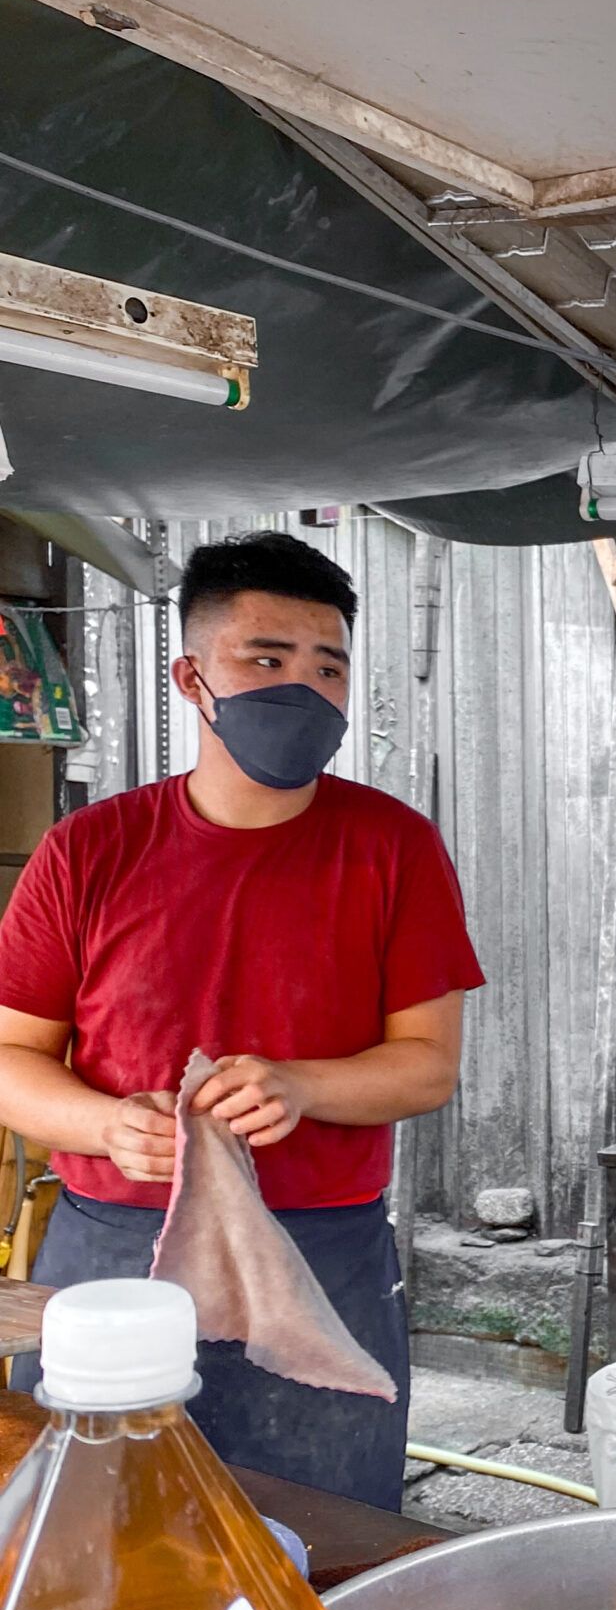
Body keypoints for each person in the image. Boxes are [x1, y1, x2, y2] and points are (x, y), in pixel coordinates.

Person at [0, 529, 485, 1507]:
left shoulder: (394, 848)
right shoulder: (88, 851)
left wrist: (300, 1084)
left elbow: (426, 1064)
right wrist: (107, 1124)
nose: (301, 689)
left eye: (327, 666)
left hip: (323, 1253)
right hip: (108, 1256)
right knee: (84, 1547)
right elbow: (10, 1054)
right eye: (265, 659)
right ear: (190, 675)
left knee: (321, 1551)